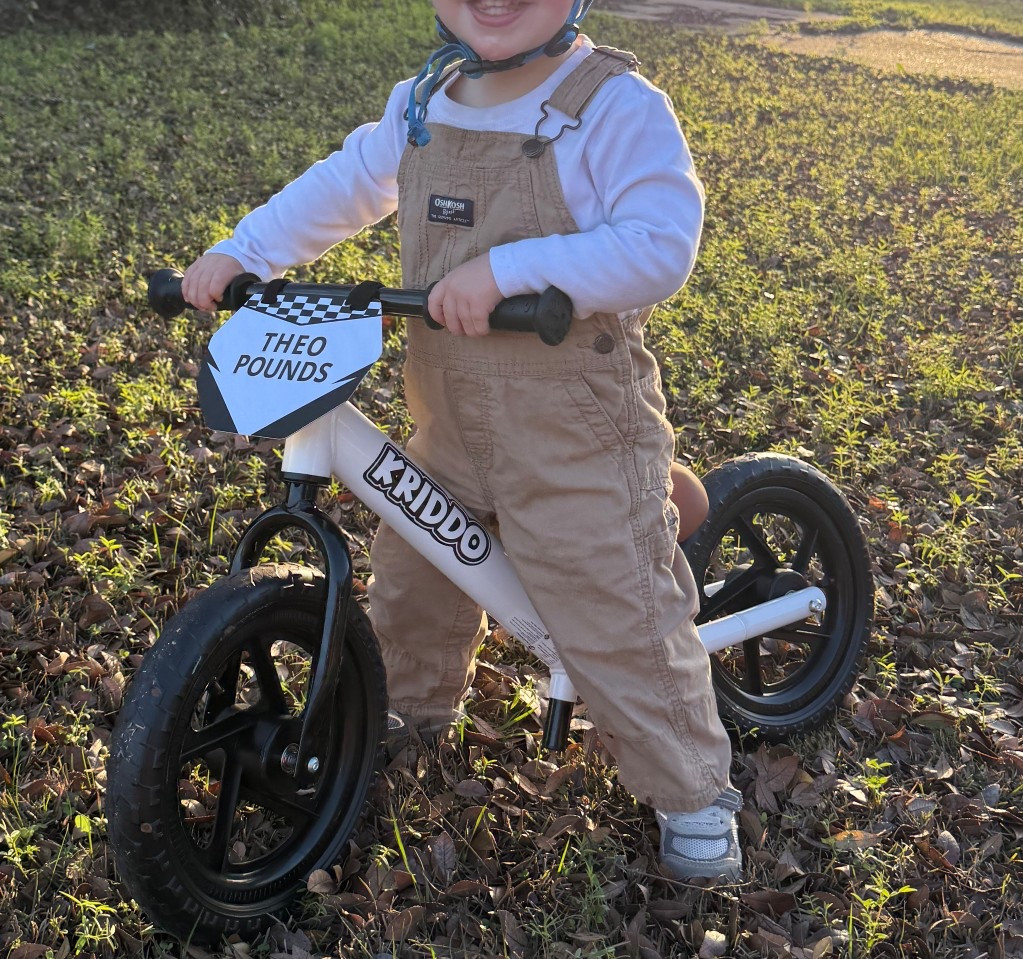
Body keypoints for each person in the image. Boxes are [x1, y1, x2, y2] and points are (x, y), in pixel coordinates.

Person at [181, 0, 740, 881]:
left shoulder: (612, 105)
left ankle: (693, 790)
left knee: (615, 614)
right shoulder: (424, 102)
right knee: (411, 577)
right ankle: (402, 717)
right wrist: (247, 249)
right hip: (448, 420)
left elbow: (658, 244)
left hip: (574, 436)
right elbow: (344, 184)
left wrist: (512, 269)